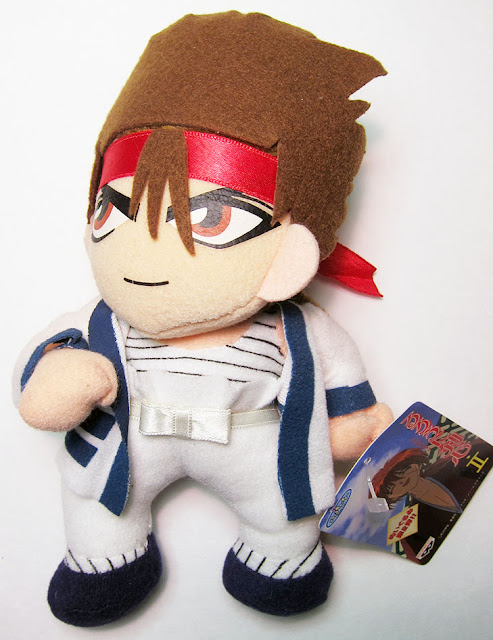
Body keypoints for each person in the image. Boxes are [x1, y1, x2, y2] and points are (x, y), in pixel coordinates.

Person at [13, 12, 390, 625]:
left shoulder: (297, 327)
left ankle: (279, 559)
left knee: (284, 509)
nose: (143, 255)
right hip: (129, 439)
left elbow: (337, 369)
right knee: (94, 499)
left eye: (211, 218)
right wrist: (61, 376)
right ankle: (104, 557)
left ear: (293, 248)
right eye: (114, 211)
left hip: (252, 440)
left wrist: (353, 420)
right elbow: (49, 354)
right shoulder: (105, 320)